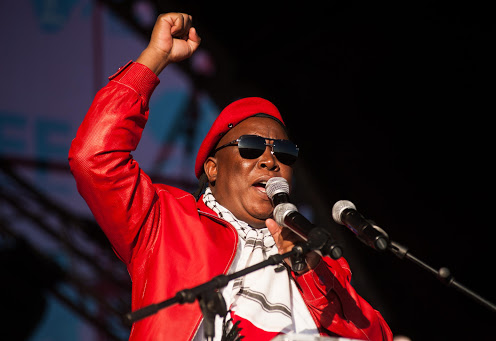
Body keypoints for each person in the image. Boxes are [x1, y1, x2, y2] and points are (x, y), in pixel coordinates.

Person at [69, 12, 392, 341]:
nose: (270, 160)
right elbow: (94, 156)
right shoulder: (166, 222)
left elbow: (377, 336)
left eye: (284, 152)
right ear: (213, 169)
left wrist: (308, 270)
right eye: (251, 147)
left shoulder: (313, 254)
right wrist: (155, 58)